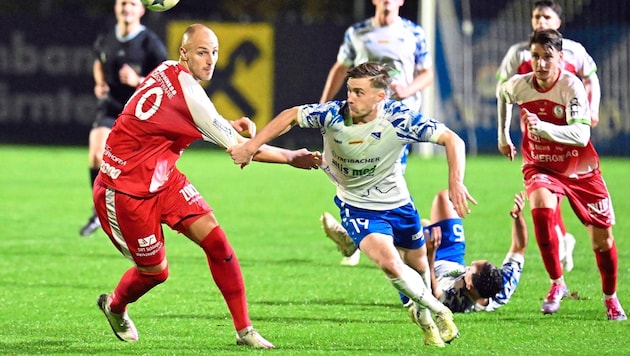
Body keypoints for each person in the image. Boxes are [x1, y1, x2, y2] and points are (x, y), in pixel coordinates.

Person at [93, 23, 321, 347]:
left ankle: (245, 331)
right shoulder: (192, 97)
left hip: (162, 177)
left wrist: (224, 123)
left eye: (215, 52)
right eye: (202, 52)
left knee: (218, 244)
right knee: (156, 272)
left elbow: (167, 116)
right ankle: (115, 306)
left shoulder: (167, 69)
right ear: (183, 53)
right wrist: (290, 157)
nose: (211, 59)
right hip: (124, 191)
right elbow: (242, 150)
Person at [229, 62, 477, 348]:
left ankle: (424, 318)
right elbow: (291, 115)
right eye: (349, 90)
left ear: (379, 97)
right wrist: (251, 145)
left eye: (359, 92)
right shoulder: (332, 115)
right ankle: (440, 310)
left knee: (420, 268)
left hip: (399, 204)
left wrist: (456, 182)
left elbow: (452, 139)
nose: (350, 97)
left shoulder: (398, 119)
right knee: (390, 264)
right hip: (357, 208)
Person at [497, 29, 626, 321]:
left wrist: (542, 127)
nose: (540, 64)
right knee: (541, 211)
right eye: (535, 57)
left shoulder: (571, 86)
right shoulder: (520, 84)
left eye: (547, 57)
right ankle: (557, 283)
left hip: (580, 168)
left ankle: (610, 297)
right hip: (541, 164)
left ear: (560, 58)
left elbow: (581, 135)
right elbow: (501, 93)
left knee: (601, 241)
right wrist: (503, 135)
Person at [320, 0, 434, 266]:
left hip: (398, 122)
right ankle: (378, 240)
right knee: (356, 173)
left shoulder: (414, 32)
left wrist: (409, 89)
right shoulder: (357, 33)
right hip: (362, 120)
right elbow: (340, 67)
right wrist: (323, 106)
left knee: (386, 180)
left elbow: (427, 73)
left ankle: (363, 238)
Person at [495, 0, 601, 270]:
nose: (540, 22)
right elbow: (503, 89)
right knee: (544, 190)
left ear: (558, 22)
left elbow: (591, 79)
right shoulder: (518, 53)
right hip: (534, 135)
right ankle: (562, 241)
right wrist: (504, 132)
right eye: (536, 17)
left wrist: (594, 109)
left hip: (567, 132)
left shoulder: (574, 51)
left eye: (546, 16)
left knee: (562, 190)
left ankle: (567, 237)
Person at [323, 190, 526, 313]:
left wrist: (428, 253)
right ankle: (419, 231)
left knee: (400, 241)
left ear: (470, 285)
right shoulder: (502, 286)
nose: (472, 263)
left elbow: (429, 294)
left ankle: (352, 241)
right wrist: (518, 218)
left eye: (472, 269)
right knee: (445, 199)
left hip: (420, 284)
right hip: (450, 259)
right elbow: (519, 247)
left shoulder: (457, 302)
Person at [80, 0, 169, 237]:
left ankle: (138, 219)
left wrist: (138, 81)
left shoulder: (151, 43)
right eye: (122, 3)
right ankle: (99, 212)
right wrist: (99, 82)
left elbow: (166, 82)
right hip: (111, 107)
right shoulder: (108, 36)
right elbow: (99, 60)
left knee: (136, 173)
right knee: (97, 154)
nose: (126, 7)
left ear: (141, 9)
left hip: (140, 113)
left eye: (132, 3)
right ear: (115, 7)